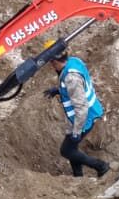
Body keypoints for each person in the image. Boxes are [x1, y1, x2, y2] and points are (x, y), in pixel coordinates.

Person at [44, 42, 110, 179]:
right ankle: (78, 176)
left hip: (84, 118)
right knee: (72, 149)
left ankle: (101, 166)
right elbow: (78, 87)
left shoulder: (71, 78)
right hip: (86, 113)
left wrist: (77, 131)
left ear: (54, 61)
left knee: (66, 150)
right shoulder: (73, 61)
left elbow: (81, 107)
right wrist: (58, 90)